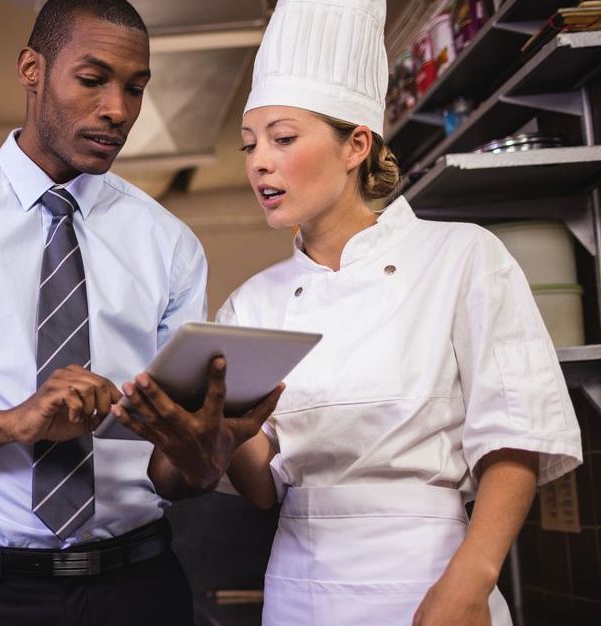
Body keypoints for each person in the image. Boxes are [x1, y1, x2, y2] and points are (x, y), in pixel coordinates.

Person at [0, 1, 281, 624]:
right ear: (31, 69)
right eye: (93, 80)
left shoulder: (168, 245)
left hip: (140, 589)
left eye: (136, 88)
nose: (118, 109)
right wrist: (14, 422)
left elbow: (172, 473)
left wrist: (205, 456)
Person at [204, 0, 585, 624]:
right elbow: (261, 485)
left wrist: (471, 580)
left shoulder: (461, 257)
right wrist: (217, 433)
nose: (259, 163)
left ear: (356, 144)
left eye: (283, 139)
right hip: (300, 589)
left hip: (432, 575)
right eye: (250, 145)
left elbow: (515, 436)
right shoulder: (253, 301)